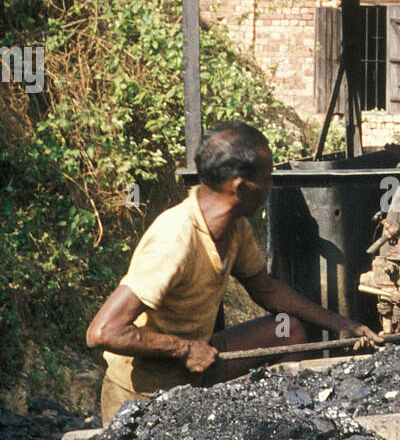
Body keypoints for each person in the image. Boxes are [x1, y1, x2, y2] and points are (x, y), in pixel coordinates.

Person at [87, 121, 380, 424]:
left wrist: (341, 323)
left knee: (289, 330)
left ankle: (292, 424)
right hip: (143, 393)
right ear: (240, 186)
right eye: (267, 179)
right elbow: (103, 332)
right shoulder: (175, 239)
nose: (270, 187)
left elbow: (266, 291)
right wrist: (184, 348)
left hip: (199, 363)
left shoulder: (235, 226)